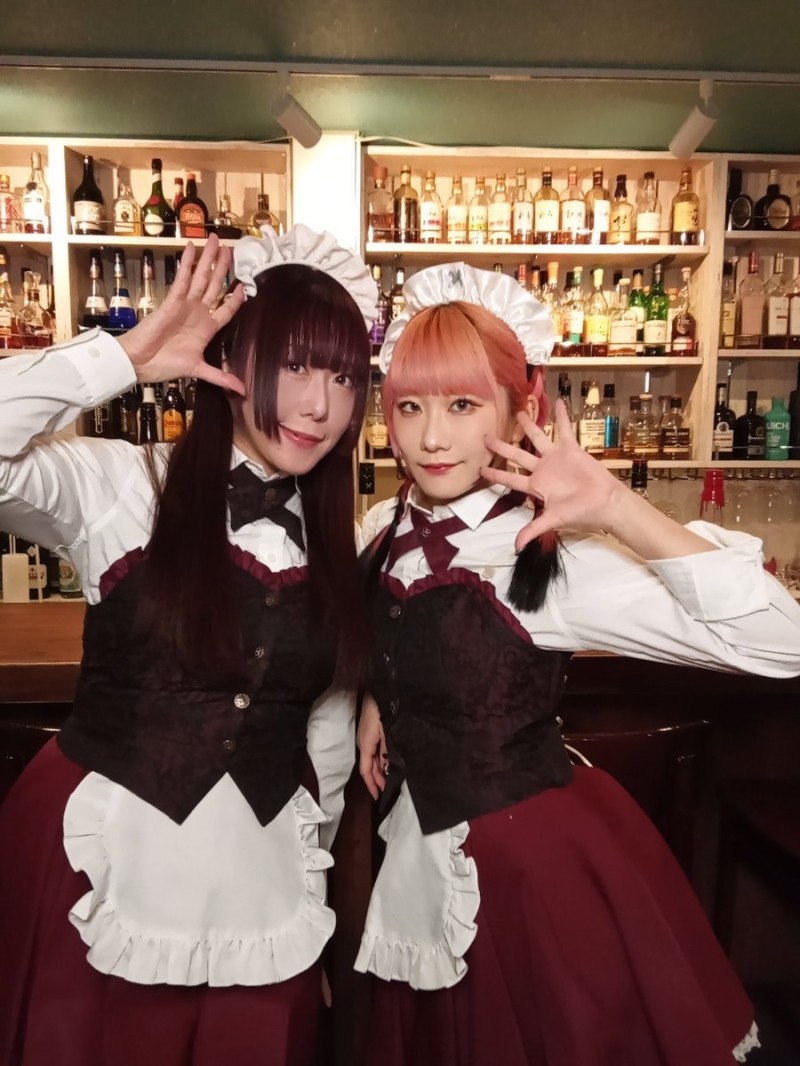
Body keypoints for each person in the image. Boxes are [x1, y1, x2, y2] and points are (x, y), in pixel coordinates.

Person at [355, 262, 800, 1066]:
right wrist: (378, 696)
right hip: (416, 860)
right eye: (410, 406)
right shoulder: (382, 525)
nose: (430, 437)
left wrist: (619, 509)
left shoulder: (551, 556)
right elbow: (394, 632)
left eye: (462, 406)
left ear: (519, 408)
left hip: (532, 874)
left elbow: (782, 642)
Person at [0, 226, 377, 1066]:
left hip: (262, 895)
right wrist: (121, 360)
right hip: (106, 868)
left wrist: (312, 898)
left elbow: (321, 739)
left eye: (345, 377)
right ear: (230, 356)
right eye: (294, 365)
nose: (319, 406)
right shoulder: (120, 486)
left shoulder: (339, 543)